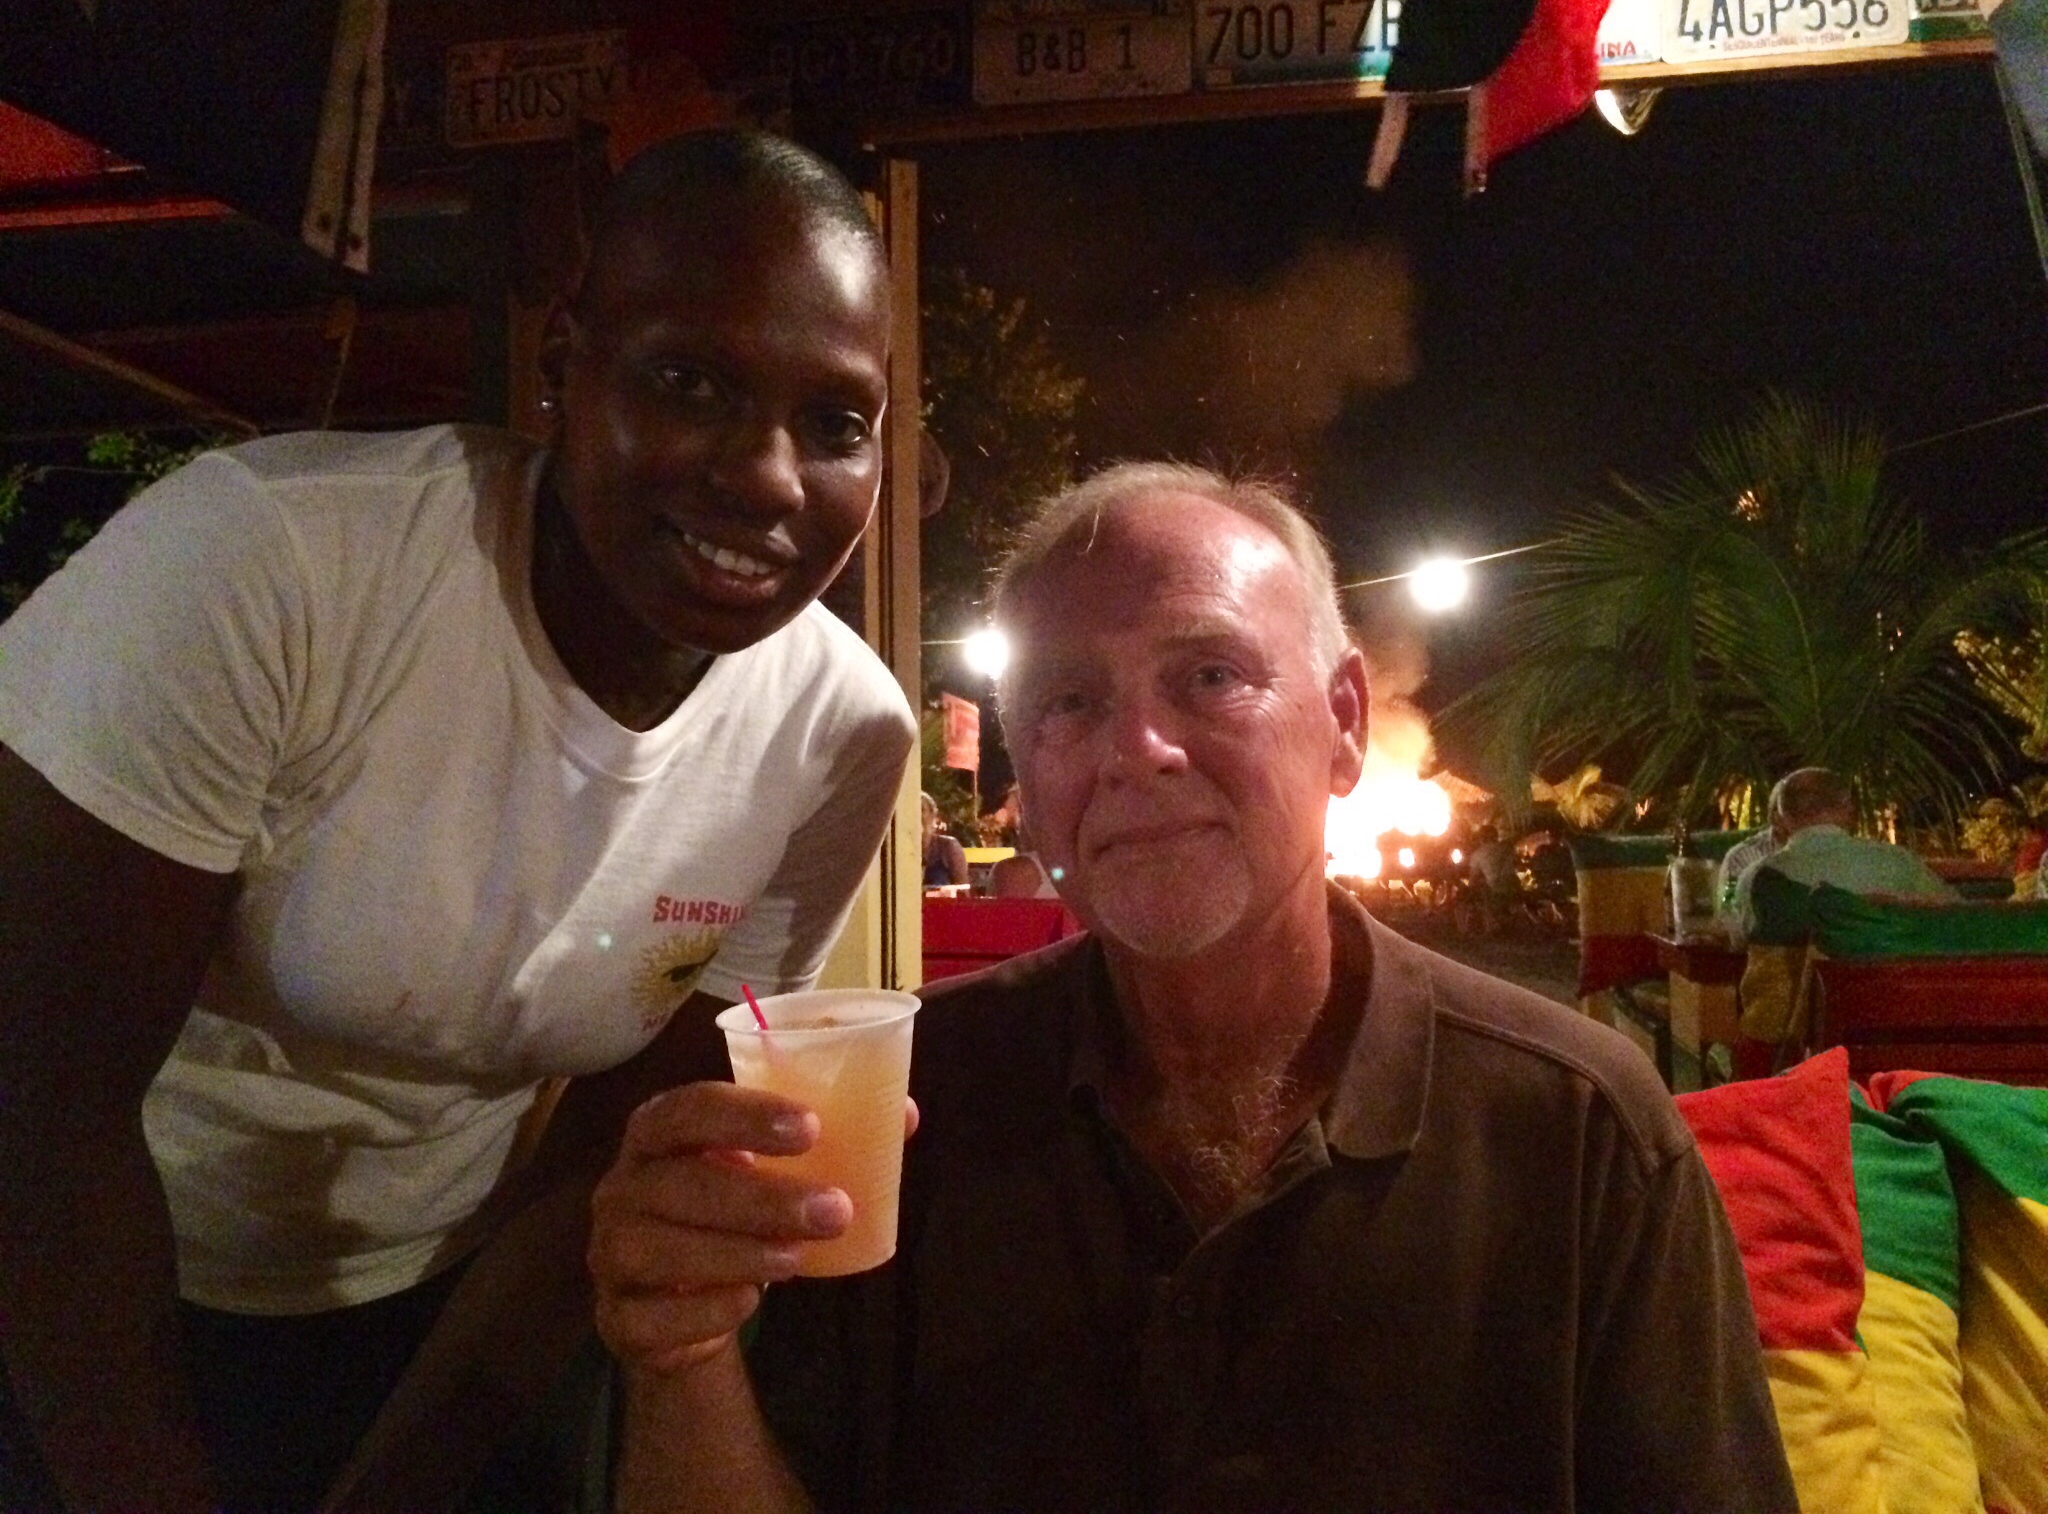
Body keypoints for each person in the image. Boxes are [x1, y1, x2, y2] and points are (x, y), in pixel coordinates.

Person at [0, 127, 916, 1513]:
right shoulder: (275, 567)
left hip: (448, 1301)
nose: (769, 478)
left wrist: (399, 1484)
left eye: (836, 423)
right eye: (689, 382)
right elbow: (43, 1116)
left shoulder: (840, 737)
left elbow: (607, 1157)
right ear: (565, 363)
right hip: (87, 1284)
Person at [589, 463, 1795, 1511]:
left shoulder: (1578, 1131)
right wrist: (683, 1353)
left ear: (1342, 723)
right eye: (1069, 703)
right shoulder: (912, 1109)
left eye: (1210, 676)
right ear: (1027, 780)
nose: (1136, 751)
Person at [1732, 766, 1956, 942]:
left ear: (1782, 817)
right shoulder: (1898, 863)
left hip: (1797, 988)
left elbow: (1738, 941)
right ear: (1848, 808)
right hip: (1891, 985)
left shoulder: (1756, 879)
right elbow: (1955, 914)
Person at [918, 792, 969, 888]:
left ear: (932, 815)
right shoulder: (899, 849)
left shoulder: (948, 846)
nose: (916, 814)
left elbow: (963, 890)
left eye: (921, 809)